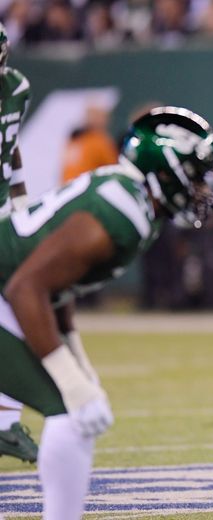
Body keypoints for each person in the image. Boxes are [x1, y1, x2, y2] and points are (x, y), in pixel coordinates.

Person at [0, 106, 213, 518]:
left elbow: (57, 281)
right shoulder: (121, 213)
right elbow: (27, 287)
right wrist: (69, 379)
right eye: (196, 176)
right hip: (8, 290)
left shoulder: (136, 204)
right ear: (169, 169)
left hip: (9, 289)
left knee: (74, 411)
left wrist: (77, 358)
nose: (202, 190)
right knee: (69, 411)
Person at [0, 20, 38, 465]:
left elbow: (12, 143)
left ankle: (7, 422)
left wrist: (21, 195)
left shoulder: (17, 87)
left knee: (20, 313)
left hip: (4, 218)